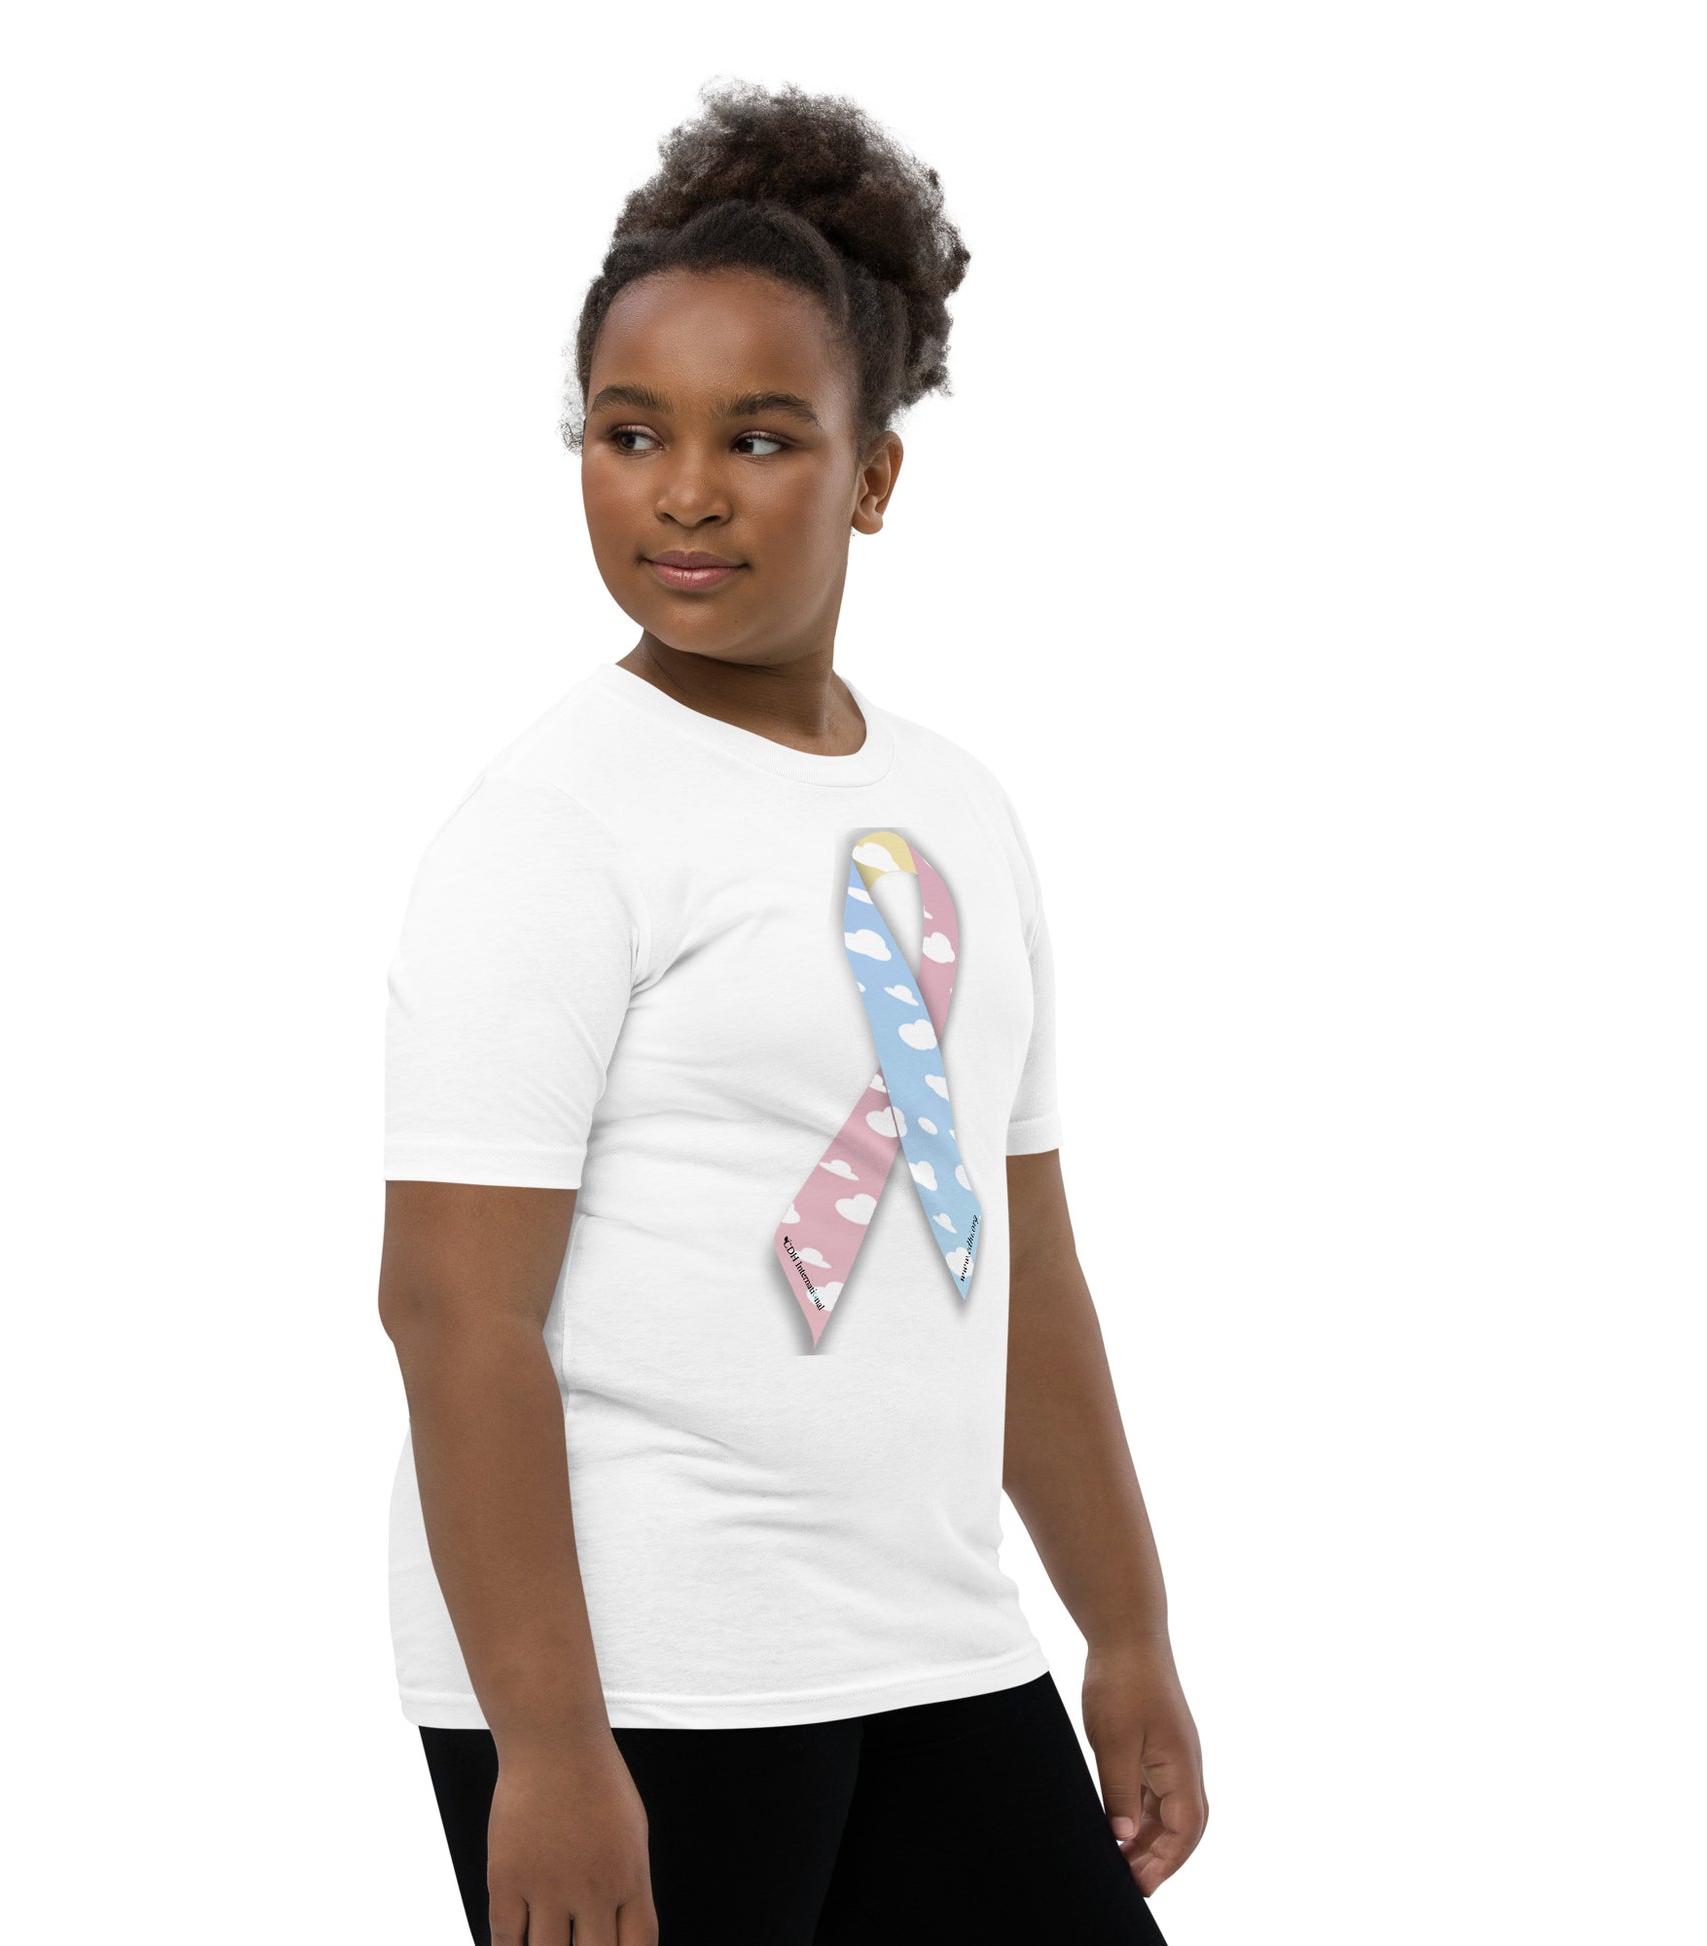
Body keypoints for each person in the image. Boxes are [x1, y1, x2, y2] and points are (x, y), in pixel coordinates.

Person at [377, 78, 1207, 1946]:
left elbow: (1019, 1261)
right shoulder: (553, 828)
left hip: (933, 1642)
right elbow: (450, 1312)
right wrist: (547, 1746)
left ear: (873, 475)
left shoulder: (957, 807)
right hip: (652, 1673)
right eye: (628, 431)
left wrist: (1126, 1623)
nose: (683, 491)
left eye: (757, 437)